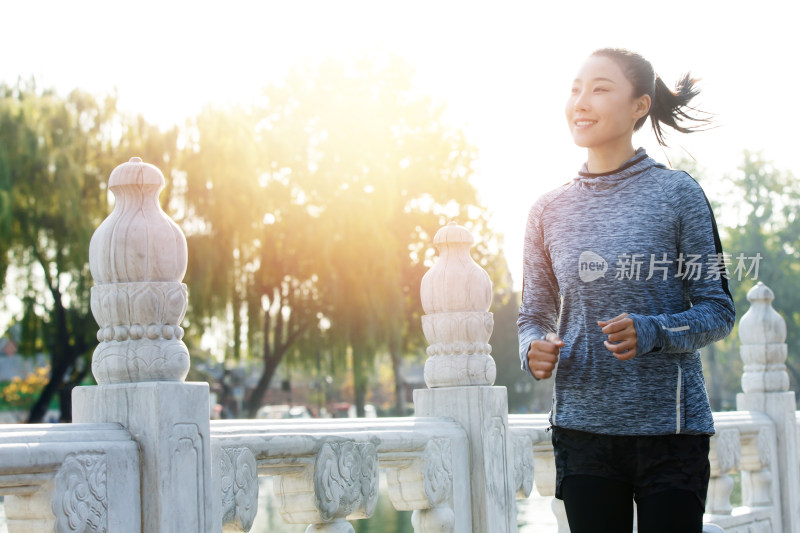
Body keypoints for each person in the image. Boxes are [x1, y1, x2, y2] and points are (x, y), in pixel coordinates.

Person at [517, 48, 735, 533]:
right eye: (575, 89)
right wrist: (531, 348)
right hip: (582, 430)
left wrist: (653, 330)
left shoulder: (679, 194)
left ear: (639, 105)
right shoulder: (547, 210)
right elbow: (533, 313)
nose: (581, 101)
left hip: (671, 432)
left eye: (599, 88)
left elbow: (718, 309)